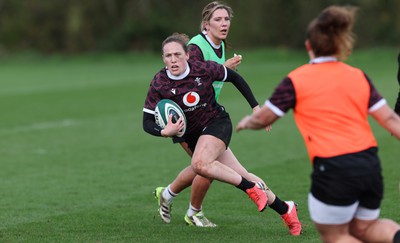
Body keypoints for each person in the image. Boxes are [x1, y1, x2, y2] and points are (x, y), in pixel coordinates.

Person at [236, 5, 400, 243]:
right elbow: (391, 119)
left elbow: (265, 117)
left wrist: (247, 122)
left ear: (308, 46)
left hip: (334, 168)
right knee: (366, 227)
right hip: (369, 165)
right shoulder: (357, 75)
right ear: (339, 45)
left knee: (334, 235)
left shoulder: (296, 79)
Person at [152, 2, 300, 234]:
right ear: (206, 24)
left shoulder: (218, 45)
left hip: (208, 117)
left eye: (226, 19)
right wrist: (224, 68)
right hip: (185, 121)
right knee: (206, 166)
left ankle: (175, 198)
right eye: (218, 19)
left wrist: (255, 106)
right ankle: (191, 209)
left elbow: (217, 76)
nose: (224, 24)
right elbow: (192, 75)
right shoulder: (196, 47)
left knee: (207, 166)